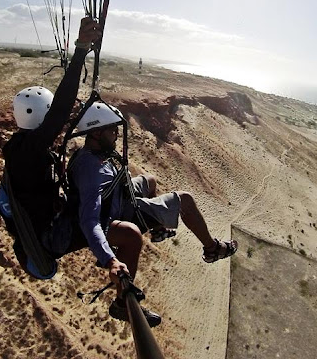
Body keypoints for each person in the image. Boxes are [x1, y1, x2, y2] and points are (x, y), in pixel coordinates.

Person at [67, 102, 238, 327]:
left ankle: (157, 229)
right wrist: (110, 260)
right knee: (183, 200)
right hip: (114, 215)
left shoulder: (92, 152)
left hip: (118, 197)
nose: (117, 135)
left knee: (149, 180)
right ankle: (212, 248)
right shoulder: (92, 169)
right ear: (97, 132)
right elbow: (90, 221)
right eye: (112, 130)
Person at [0, 17, 99, 276]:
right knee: (106, 209)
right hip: (49, 237)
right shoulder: (28, 151)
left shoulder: (21, 148)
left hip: (46, 228)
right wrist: (80, 51)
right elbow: (60, 112)